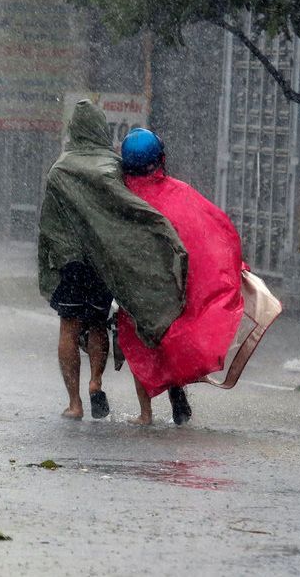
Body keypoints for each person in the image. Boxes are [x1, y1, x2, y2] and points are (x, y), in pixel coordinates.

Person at [38, 100, 188, 420]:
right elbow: (127, 211)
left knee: (68, 328)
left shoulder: (59, 171)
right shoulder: (113, 166)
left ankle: (75, 403)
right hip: (104, 261)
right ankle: (96, 382)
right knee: (97, 324)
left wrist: (49, 267)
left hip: (71, 263)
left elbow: (48, 227)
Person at [115, 128, 245, 425]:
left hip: (138, 286)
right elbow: (211, 230)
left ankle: (145, 413)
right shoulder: (180, 193)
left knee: (139, 342)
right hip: (173, 285)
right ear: (160, 159)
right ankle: (177, 389)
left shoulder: (121, 199)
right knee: (172, 337)